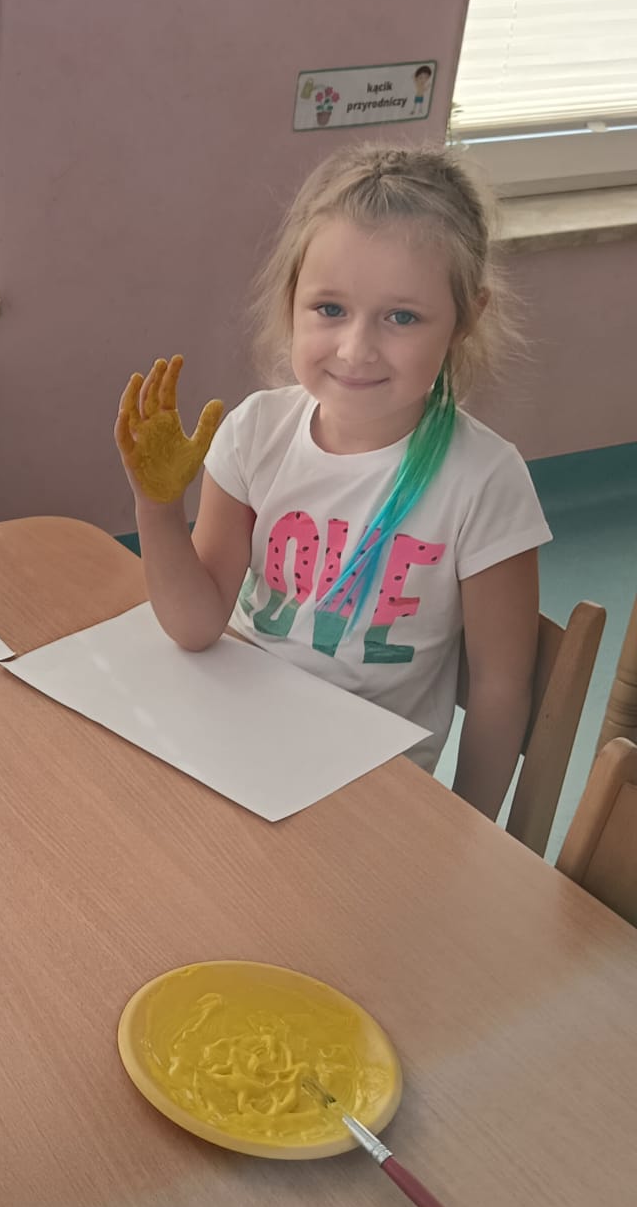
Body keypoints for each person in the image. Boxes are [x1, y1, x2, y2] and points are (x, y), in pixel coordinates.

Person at [115, 144, 550, 818]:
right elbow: (195, 625)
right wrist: (158, 506)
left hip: (368, 795)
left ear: (466, 317)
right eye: (329, 309)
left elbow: (499, 688)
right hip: (235, 744)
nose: (356, 349)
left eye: (401, 317)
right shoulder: (256, 432)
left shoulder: (484, 482)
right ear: (291, 299)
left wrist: (470, 835)